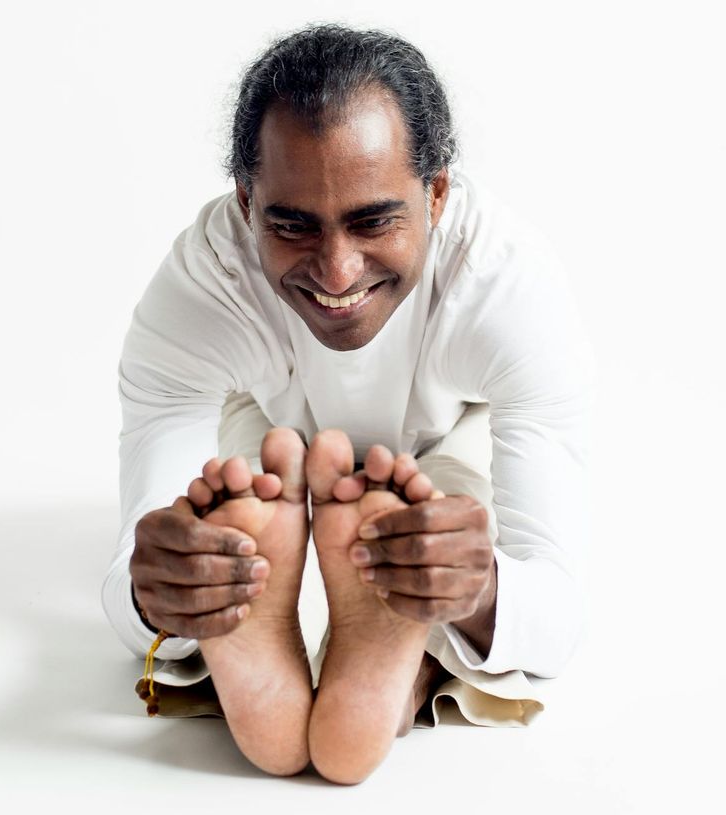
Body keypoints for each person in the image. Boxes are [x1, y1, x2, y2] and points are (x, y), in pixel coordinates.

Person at [101, 23, 595, 784]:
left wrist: (473, 584)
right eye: (291, 225)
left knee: (452, 519)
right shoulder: (205, 284)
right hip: (275, 433)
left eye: (374, 220)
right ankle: (309, 628)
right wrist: (163, 583)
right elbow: (137, 552)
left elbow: (559, 610)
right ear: (246, 202)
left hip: (450, 434)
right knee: (220, 516)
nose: (336, 272)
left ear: (437, 193)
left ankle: (401, 653)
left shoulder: (508, 289)